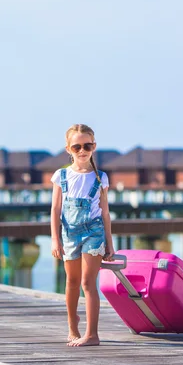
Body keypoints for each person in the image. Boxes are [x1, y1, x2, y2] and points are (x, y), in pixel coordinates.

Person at [50, 123, 115, 347]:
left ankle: (92, 335)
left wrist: (110, 243)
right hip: (69, 234)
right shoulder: (61, 176)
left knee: (88, 283)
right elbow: (55, 210)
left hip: (94, 233)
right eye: (76, 147)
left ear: (94, 146)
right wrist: (55, 239)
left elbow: (105, 212)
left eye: (87, 145)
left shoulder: (100, 178)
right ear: (68, 149)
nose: (82, 151)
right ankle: (72, 326)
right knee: (72, 282)